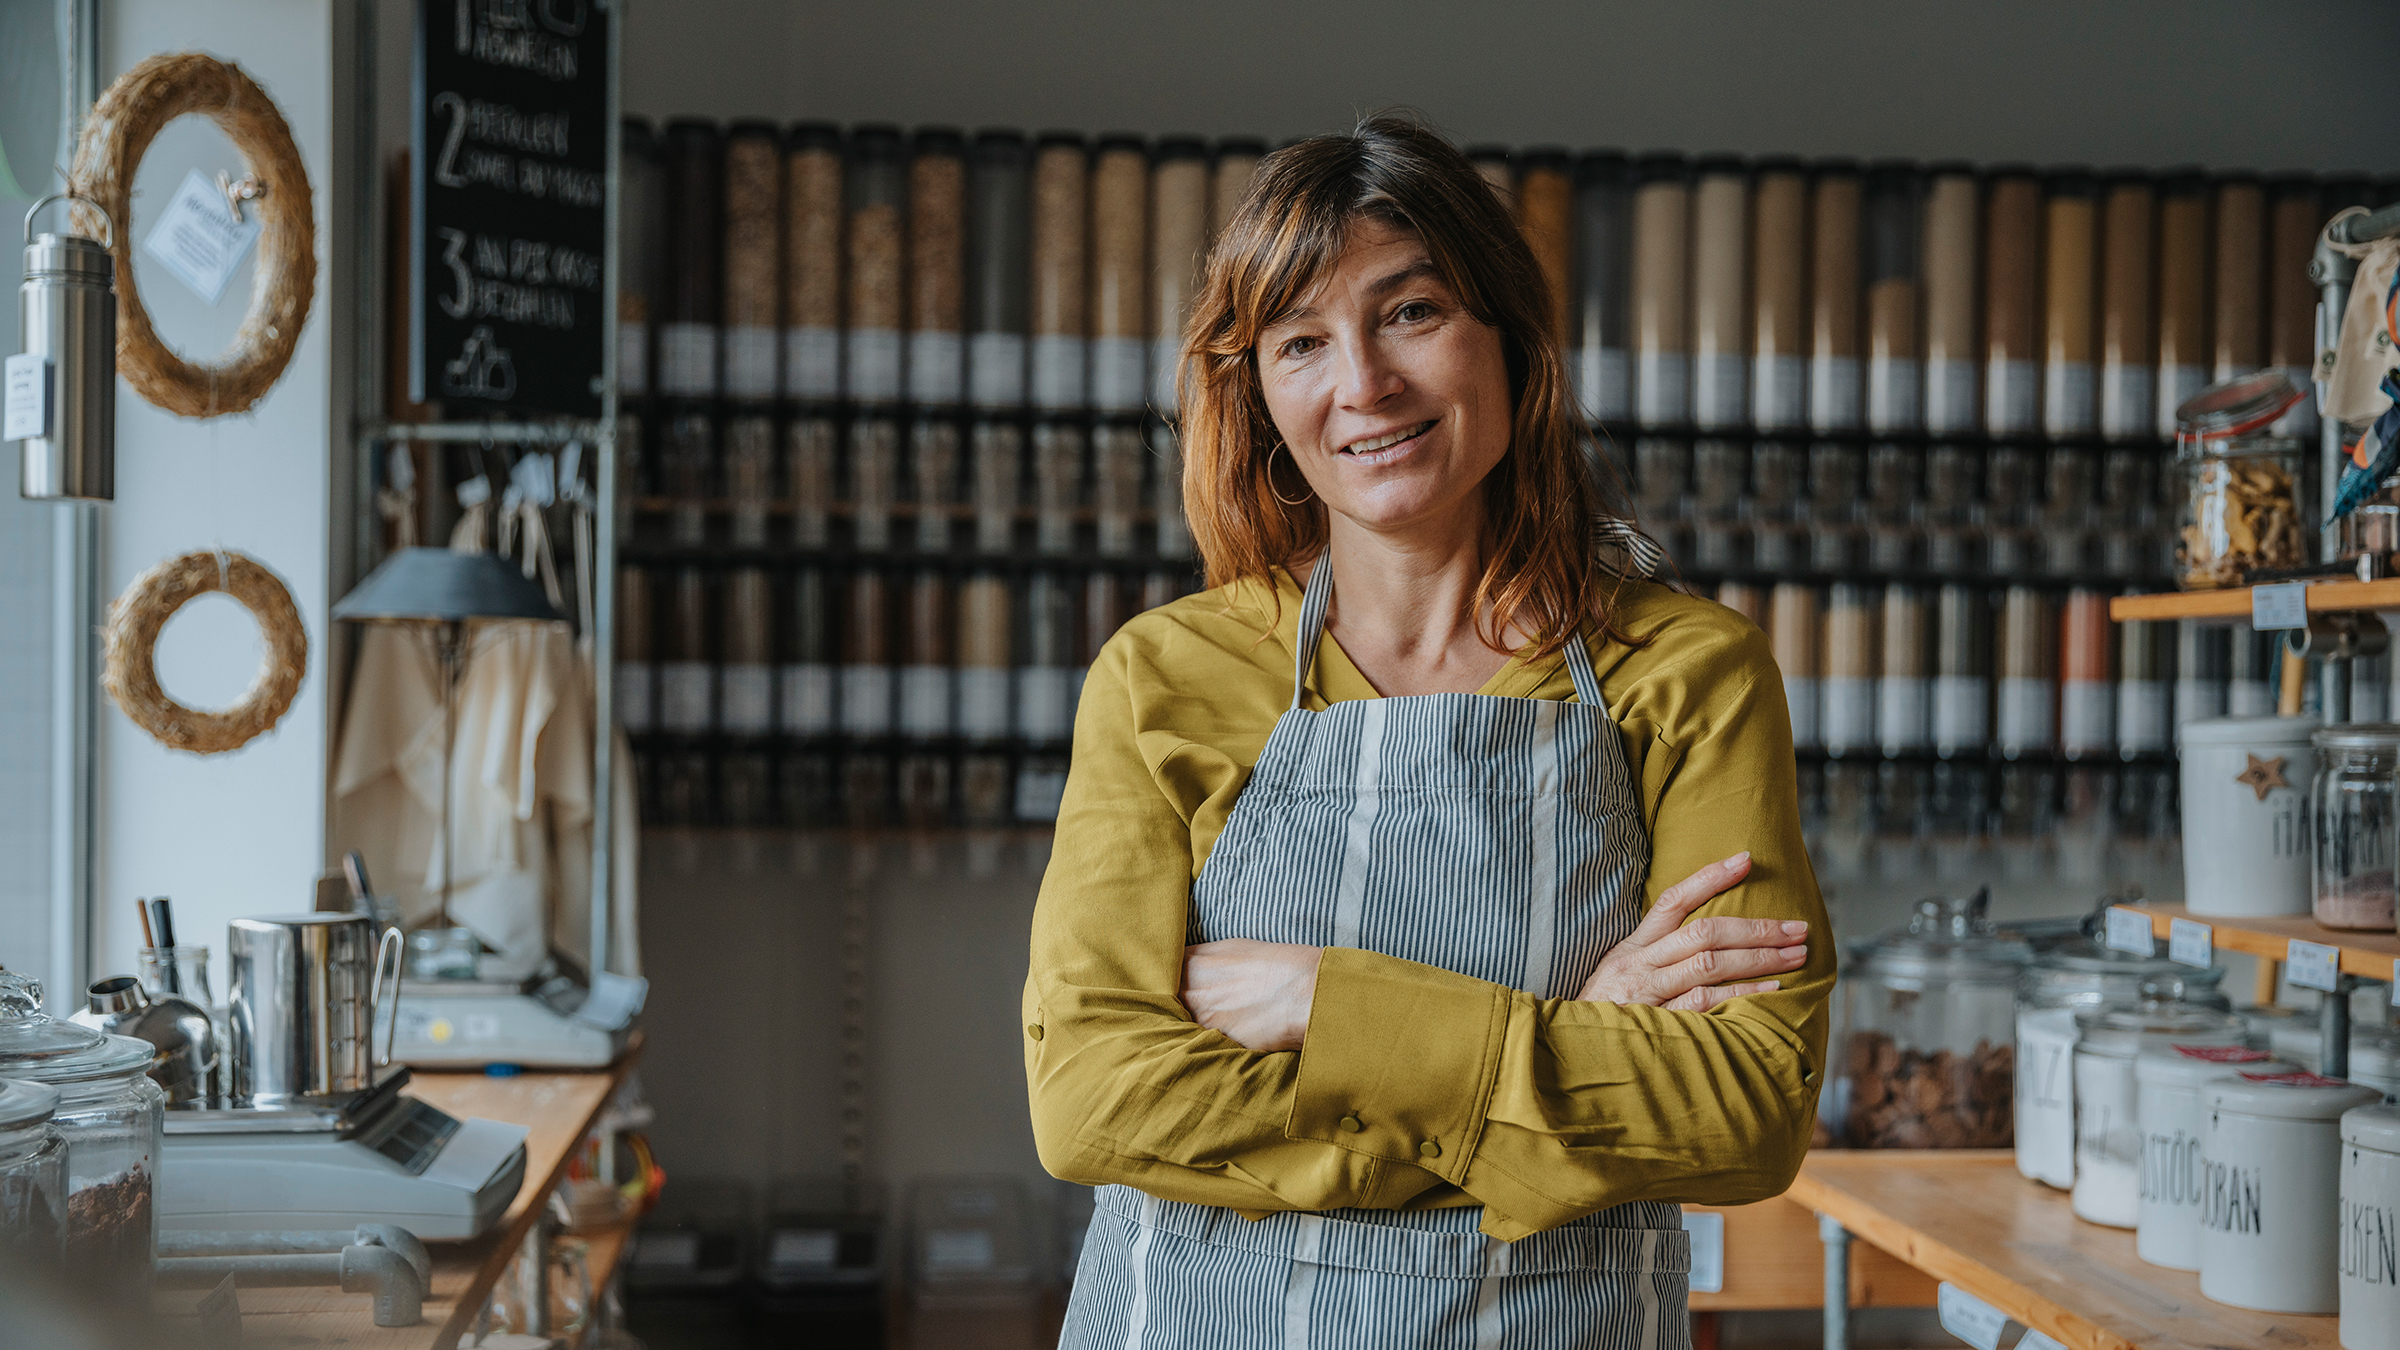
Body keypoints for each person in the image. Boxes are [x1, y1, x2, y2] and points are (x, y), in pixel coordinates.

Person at [1023, 113, 1833, 1349]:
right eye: (1302, 342)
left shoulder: (1687, 675)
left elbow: (1746, 1110)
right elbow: (1090, 1106)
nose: (1364, 386)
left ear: (1509, 335)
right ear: (1262, 396)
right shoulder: (1165, 677)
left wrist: (1322, 1004)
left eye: (1411, 313)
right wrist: (1567, 1066)